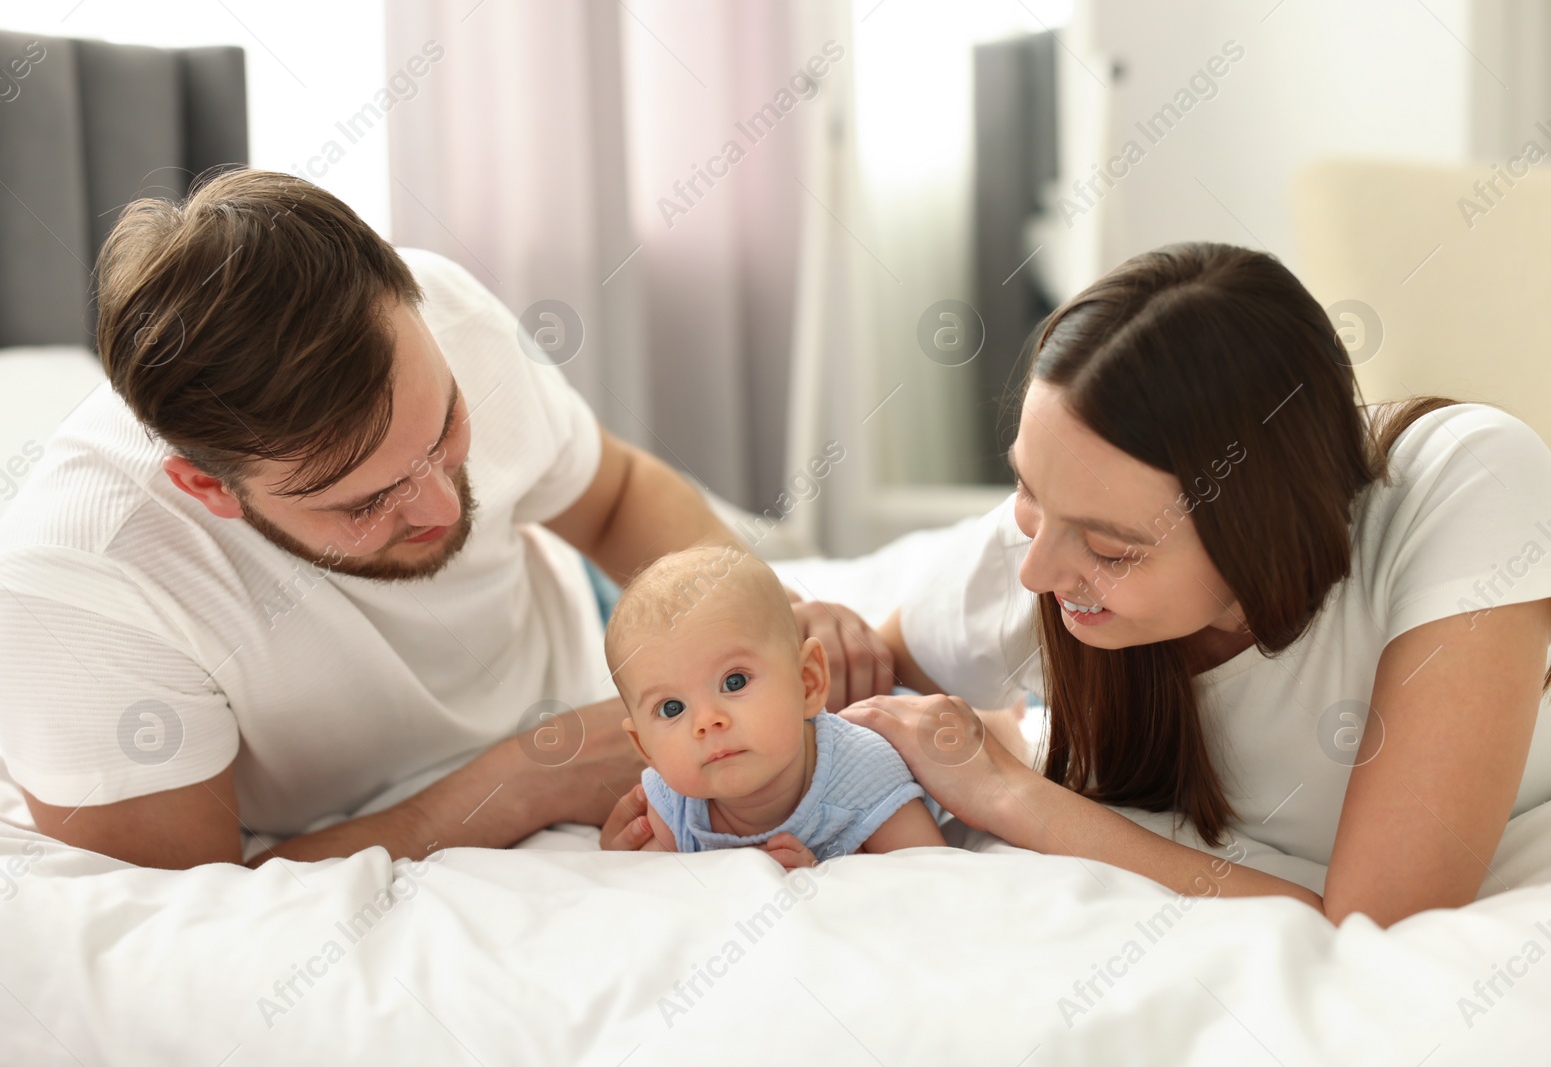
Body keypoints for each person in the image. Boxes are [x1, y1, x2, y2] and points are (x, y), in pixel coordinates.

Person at [604, 242, 1551, 928]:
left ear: (1256, 526)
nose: (1036, 571)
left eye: (1111, 546)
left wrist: (1015, 797)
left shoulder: (1464, 483)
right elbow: (822, 679)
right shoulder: (1056, 538)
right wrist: (671, 799)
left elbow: (1382, 917)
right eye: (1025, 486)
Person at [0, 169, 894, 870]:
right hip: (565, 744)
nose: (445, 508)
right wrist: (524, 779)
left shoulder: (446, 308)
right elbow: (204, 908)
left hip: (618, 637)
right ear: (209, 488)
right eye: (365, 499)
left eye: (443, 429)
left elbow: (609, 494)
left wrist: (759, 620)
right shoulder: (75, 593)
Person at [604, 544, 945, 869]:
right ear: (645, 747)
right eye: (671, 708)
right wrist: (626, 862)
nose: (706, 722)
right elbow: (665, 896)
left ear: (808, 682)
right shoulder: (672, 806)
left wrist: (828, 880)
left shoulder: (865, 777)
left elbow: (926, 878)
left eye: (734, 682)